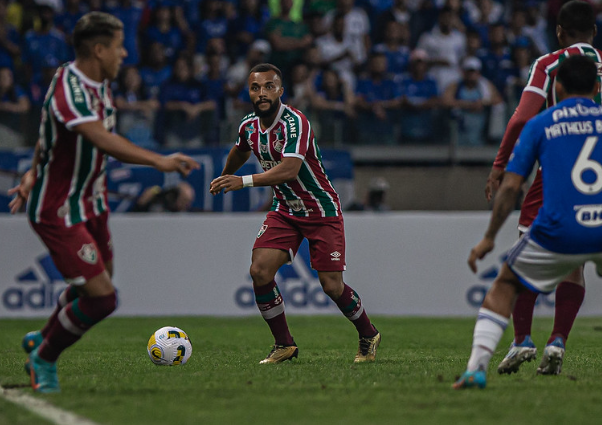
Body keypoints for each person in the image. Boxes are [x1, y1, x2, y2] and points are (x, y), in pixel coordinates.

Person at [7, 12, 200, 393]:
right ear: (98, 50)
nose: (125, 54)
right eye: (118, 47)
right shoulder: (71, 89)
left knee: (94, 287)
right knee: (103, 299)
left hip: (91, 203)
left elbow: (48, 135)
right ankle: (44, 359)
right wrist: (158, 160)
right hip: (58, 210)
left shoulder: (92, 80)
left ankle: (40, 339)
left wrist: (32, 171)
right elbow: (99, 138)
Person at [455, 55, 602, 390]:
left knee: (506, 285)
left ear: (558, 86)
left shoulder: (542, 124)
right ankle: (556, 340)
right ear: (598, 88)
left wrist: (489, 238)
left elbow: (512, 186)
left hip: (559, 226)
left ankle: (477, 368)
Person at [209, 63, 380, 364]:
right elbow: (240, 149)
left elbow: (290, 169)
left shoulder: (295, 122)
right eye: (255, 87)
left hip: (320, 208)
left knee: (331, 285)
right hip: (285, 210)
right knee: (259, 271)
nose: (261, 93)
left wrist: (243, 181)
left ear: (280, 90)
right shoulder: (248, 126)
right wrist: (224, 176)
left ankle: (368, 334)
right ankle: (284, 344)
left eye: (268, 86)